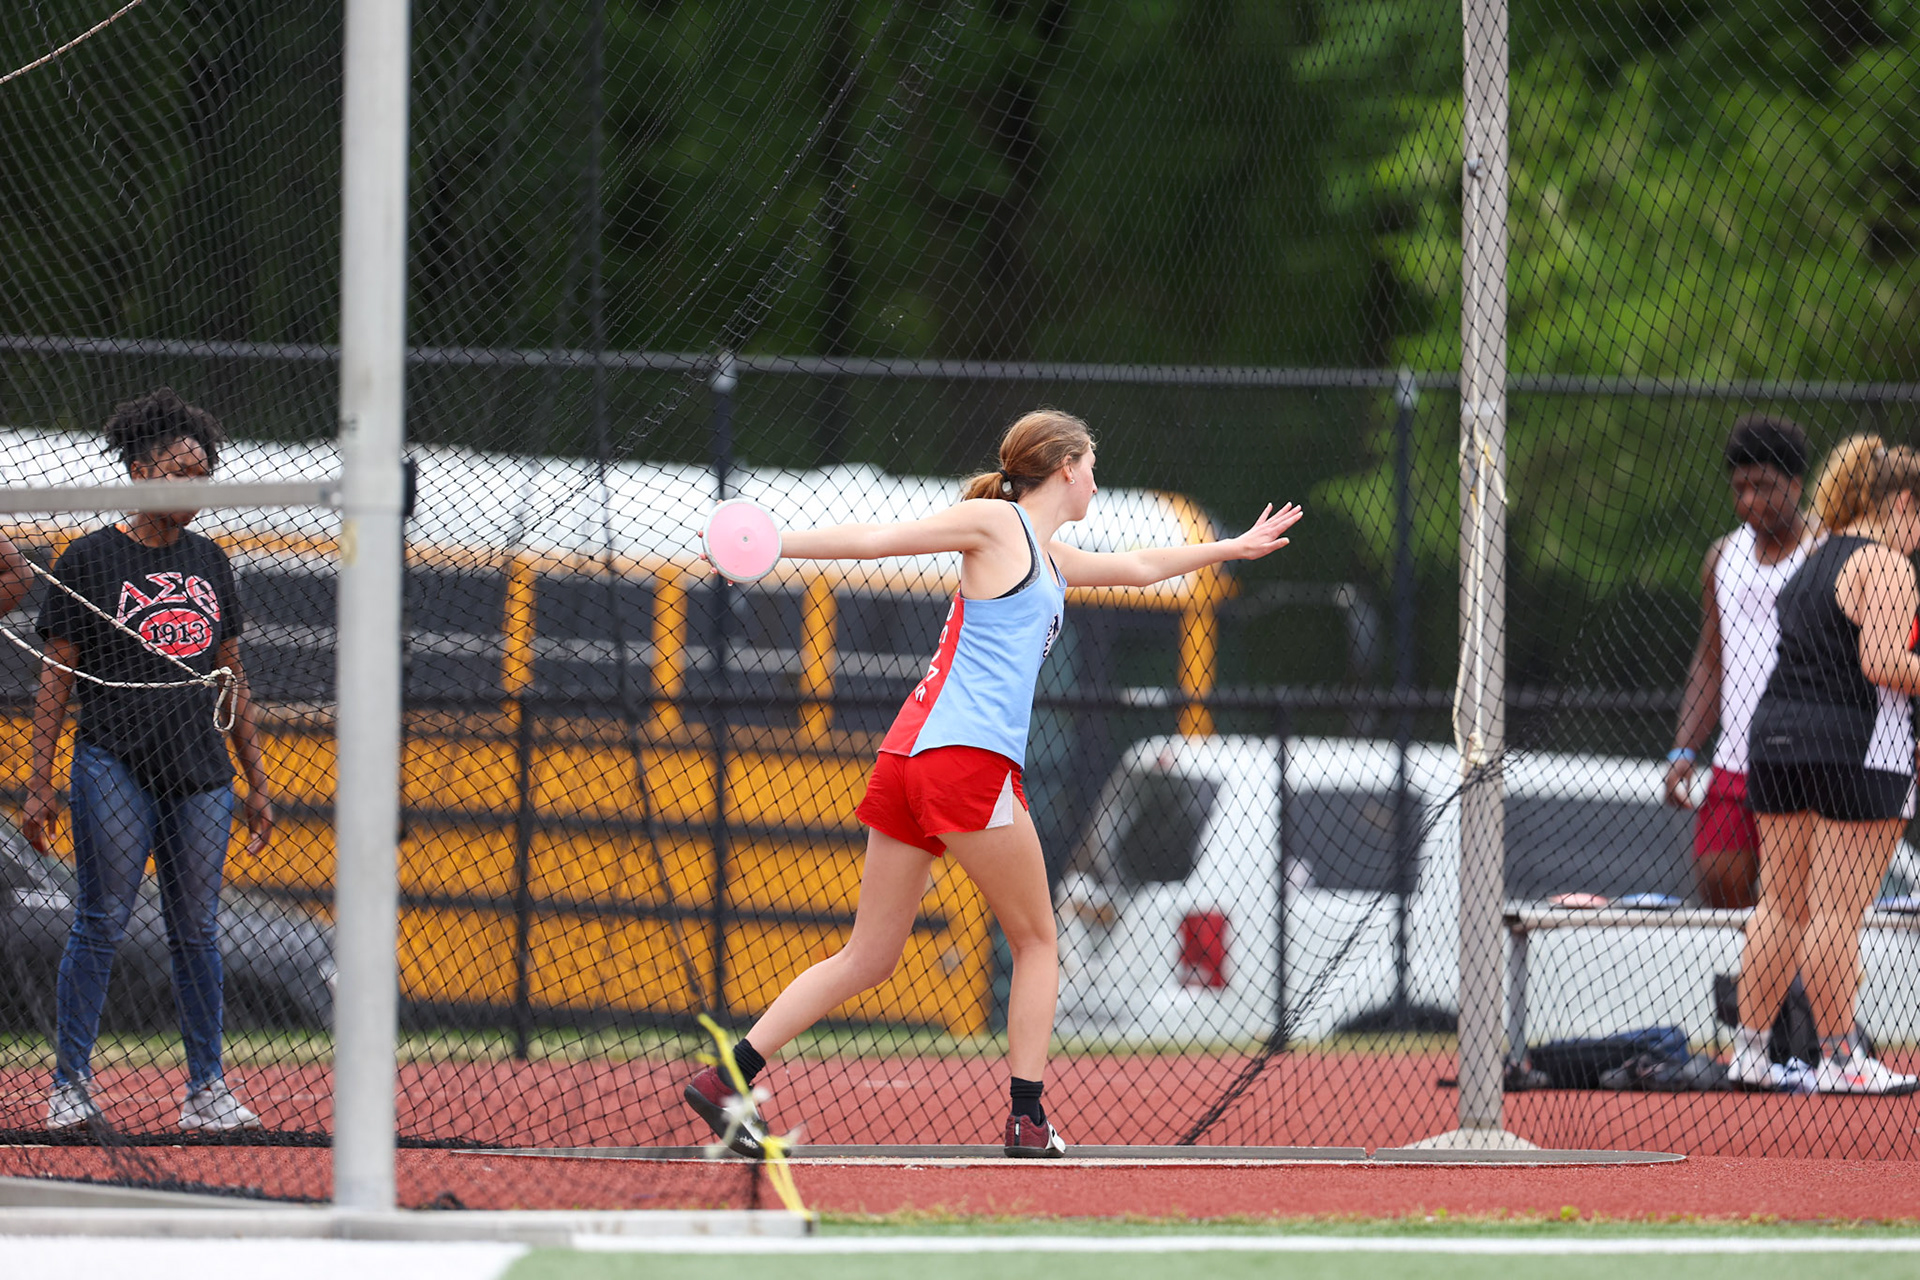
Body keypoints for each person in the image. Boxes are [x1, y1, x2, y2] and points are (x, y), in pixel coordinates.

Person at [681, 409, 1301, 1156]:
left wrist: (1231, 547)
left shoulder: (1047, 552)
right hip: (962, 758)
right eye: (1093, 466)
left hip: (910, 757)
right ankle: (1027, 1118)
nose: (1096, 479)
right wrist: (772, 546)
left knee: (870, 957)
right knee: (1039, 939)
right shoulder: (1000, 524)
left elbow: (1137, 567)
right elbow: (879, 544)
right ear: (1068, 468)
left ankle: (728, 1077)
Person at [22, 388, 276, 1132]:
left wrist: (258, 782)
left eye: (203, 472)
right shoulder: (91, 557)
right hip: (114, 761)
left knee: (197, 929)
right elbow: (55, 678)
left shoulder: (212, 561)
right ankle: (69, 1087)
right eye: (179, 469)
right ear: (138, 472)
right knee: (100, 918)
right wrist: (37, 784)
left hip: (201, 771)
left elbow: (233, 675)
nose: (194, 484)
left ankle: (207, 1090)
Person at [1734, 434, 1920, 1095]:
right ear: (1902, 502)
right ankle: (1841, 1059)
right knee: (1839, 912)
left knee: (1781, 905)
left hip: (1776, 739)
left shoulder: (1813, 558)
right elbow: (1883, 663)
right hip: (1854, 745)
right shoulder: (1887, 565)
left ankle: (1751, 1054)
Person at [1664, 416, 1812, 909]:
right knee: (1718, 882)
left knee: (1795, 907)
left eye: (1764, 486)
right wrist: (1684, 749)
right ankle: (1745, 988)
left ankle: (1796, 988)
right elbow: (1709, 663)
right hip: (1735, 763)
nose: (1749, 501)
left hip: (1807, 764)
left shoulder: (1828, 553)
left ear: (1797, 484)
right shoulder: (1722, 557)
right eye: (1740, 488)